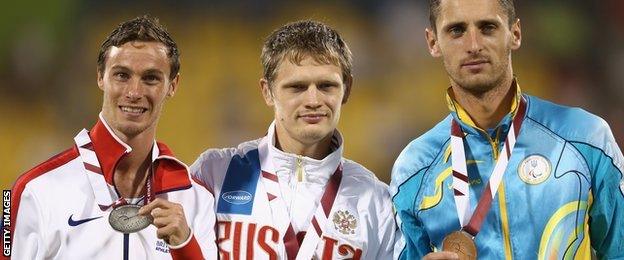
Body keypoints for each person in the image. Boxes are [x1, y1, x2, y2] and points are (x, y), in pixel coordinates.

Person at [390, 0, 624, 259]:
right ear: (433, 42)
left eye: (488, 27)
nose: (473, 45)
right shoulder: (414, 168)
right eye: (456, 30)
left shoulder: (586, 138)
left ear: (515, 33)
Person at [10, 16, 217, 259]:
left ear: (173, 85)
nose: (134, 92)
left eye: (150, 78)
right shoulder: (33, 190)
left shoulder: (197, 199)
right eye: (122, 75)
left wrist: (185, 247)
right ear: (101, 77)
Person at [190, 20, 396, 259]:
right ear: (267, 91)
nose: (313, 100)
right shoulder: (214, 174)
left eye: (326, 86)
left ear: (347, 89)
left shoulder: (375, 201)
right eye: (297, 87)